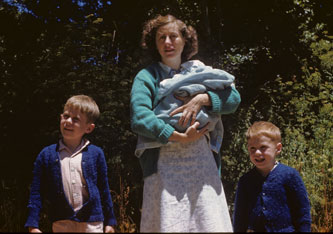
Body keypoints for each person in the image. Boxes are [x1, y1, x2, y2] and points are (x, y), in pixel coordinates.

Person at [130, 14, 241, 232]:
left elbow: (234, 100)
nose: (167, 43)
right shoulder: (147, 76)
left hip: (200, 161)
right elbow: (139, 116)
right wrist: (178, 136)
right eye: (161, 38)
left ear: (185, 40)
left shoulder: (199, 71)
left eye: (173, 36)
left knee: (207, 221)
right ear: (154, 43)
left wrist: (203, 99)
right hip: (163, 161)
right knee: (169, 222)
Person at [25, 95, 117, 233]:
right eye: (66, 116)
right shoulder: (47, 154)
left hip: (92, 223)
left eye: (75, 119)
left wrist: (110, 220)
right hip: (61, 222)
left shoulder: (96, 153)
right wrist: (33, 224)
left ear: (89, 128)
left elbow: (104, 189)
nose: (68, 121)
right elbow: (36, 192)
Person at [232, 121, 312, 232]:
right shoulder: (245, 181)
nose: (257, 153)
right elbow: (240, 217)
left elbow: (302, 212)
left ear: (278, 148)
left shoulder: (289, 175)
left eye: (263, 147)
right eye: (252, 148)